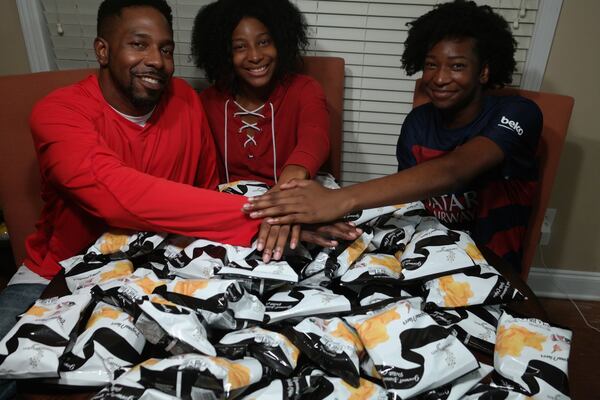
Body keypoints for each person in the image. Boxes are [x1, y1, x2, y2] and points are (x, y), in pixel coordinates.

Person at [0, 2, 353, 396]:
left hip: (157, 273)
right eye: (139, 44)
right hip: (59, 277)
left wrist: (283, 208)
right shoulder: (58, 112)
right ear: (102, 50)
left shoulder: (184, 98)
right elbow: (116, 195)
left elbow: (205, 192)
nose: (156, 60)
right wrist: (268, 212)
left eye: (165, 49)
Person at [244, 0, 543, 272]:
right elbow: (410, 202)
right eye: (430, 65)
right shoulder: (417, 123)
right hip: (425, 260)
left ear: (484, 72)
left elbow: (455, 170)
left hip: (492, 267)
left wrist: (339, 199)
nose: (439, 78)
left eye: (457, 66)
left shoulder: (519, 113)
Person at [191, 0, 330, 188]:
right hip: (229, 205)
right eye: (240, 46)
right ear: (224, 54)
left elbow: (316, 137)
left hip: (290, 194)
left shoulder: (304, 90)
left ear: (280, 43)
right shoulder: (208, 101)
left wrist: (294, 176)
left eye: (264, 42)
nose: (255, 56)